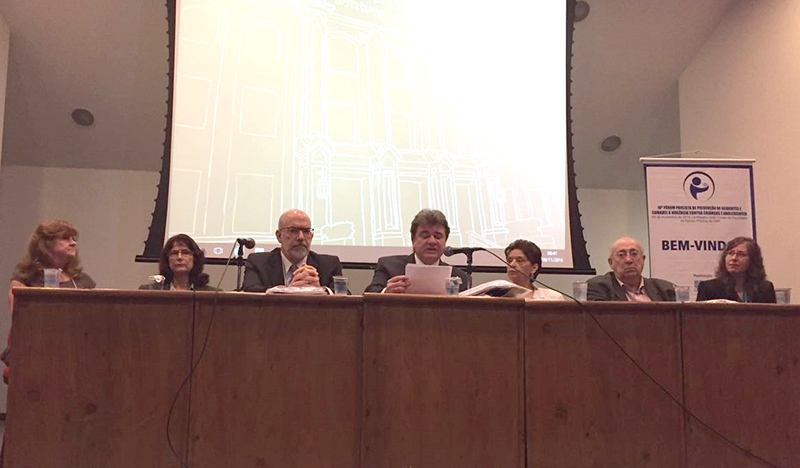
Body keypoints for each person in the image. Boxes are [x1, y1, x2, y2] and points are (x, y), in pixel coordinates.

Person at [4, 220, 96, 383]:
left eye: (74, 239)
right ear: (46, 244)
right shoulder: (25, 279)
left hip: (75, 352)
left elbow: (93, 319)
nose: (73, 243)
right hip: (36, 350)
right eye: (66, 238)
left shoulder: (82, 281)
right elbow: (19, 316)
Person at [365, 209, 469, 293]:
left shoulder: (459, 277)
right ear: (413, 240)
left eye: (438, 236)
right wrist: (386, 292)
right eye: (425, 235)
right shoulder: (389, 267)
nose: (432, 241)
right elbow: (370, 294)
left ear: (445, 241)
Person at [242, 209, 343, 292]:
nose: (301, 237)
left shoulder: (330, 265)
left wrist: (320, 291)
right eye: (293, 231)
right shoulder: (259, 263)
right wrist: (288, 290)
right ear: (279, 236)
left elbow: (344, 294)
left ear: (311, 236)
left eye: (306, 231)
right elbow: (249, 291)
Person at [587, 237, 675, 302]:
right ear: (611, 262)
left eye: (634, 254)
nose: (629, 260)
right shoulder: (598, 287)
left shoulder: (666, 289)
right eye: (621, 255)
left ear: (643, 259)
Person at [696, 237, 775, 303]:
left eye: (741, 254)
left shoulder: (765, 288)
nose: (733, 258)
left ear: (752, 260)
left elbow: (772, 318)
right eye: (730, 253)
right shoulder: (709, 288)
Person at [139, 234, 217, 291]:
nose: (179, 257)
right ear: (167, 259)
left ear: (195, 258)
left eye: (185, 252)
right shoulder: (150, 291)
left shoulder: (212, 294)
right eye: (174, 253)